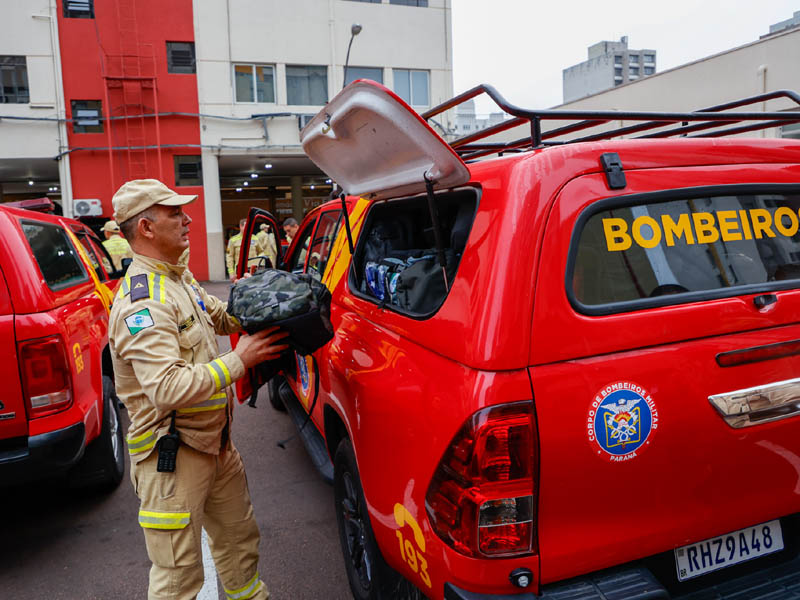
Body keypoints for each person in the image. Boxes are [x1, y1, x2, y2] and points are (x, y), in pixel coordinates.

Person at [108, 179, 287, 600]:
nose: (188, 219)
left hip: (216, 446)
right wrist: (240, 360)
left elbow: (221, 317)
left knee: (241, 547)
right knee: (178, 580)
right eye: (176, 214)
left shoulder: (179, 278)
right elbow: (167, 388)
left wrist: (269, 305)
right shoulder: (143, 302)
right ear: (147, 228)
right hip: (172, 459)